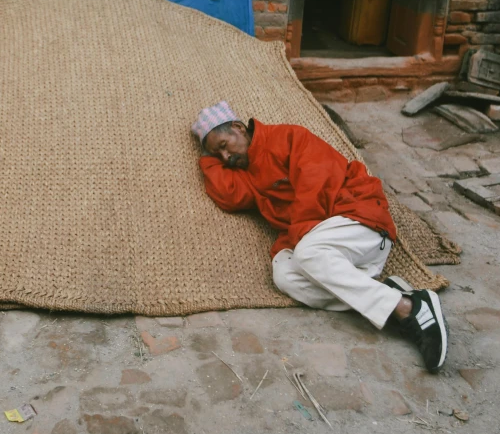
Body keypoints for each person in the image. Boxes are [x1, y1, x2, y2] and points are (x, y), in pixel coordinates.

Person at [192, 101, 448, 372]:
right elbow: (228, 196)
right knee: (284, 276)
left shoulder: (289, 137)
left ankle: (408, 308)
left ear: (238, 128)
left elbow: (316, 187)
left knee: (305, 253)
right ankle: (388, 296)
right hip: (331, 253)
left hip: (360, 221)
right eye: (217, 154)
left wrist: (301, 242)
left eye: (223, 146)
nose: (224, 157)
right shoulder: (245, 171)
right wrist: (209, 158)